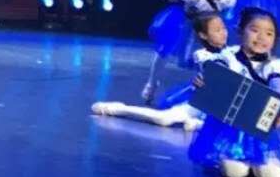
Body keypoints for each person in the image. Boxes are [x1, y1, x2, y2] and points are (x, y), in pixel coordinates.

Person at [187, 8, 280, 177]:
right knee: (234, 172)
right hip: (230, 127)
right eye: (255, 30)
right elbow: (215, 74)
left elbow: (277, 88)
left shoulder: (276, 64)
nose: (261, 37)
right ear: (240, 31)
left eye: (269, 33)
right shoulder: (227, 56)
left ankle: (261, 162)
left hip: (263, 130)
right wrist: (204, 81)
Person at [95, 12, 227, 130]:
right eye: (217, 30)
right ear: (203, 35)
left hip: (226, 105)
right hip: (208, 103)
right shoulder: (203, 55)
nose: (224, 33)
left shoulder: (232, 51)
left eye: (224, 28)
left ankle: (199, 124)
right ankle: (121, 109)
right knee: (164, 119)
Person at [142, 0, 235, 102]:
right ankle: (152, 83)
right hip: (185, 24)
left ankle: (208, 90)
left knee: (215, 55)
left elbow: (222, 15)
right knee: (164, 51)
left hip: (207, 28)